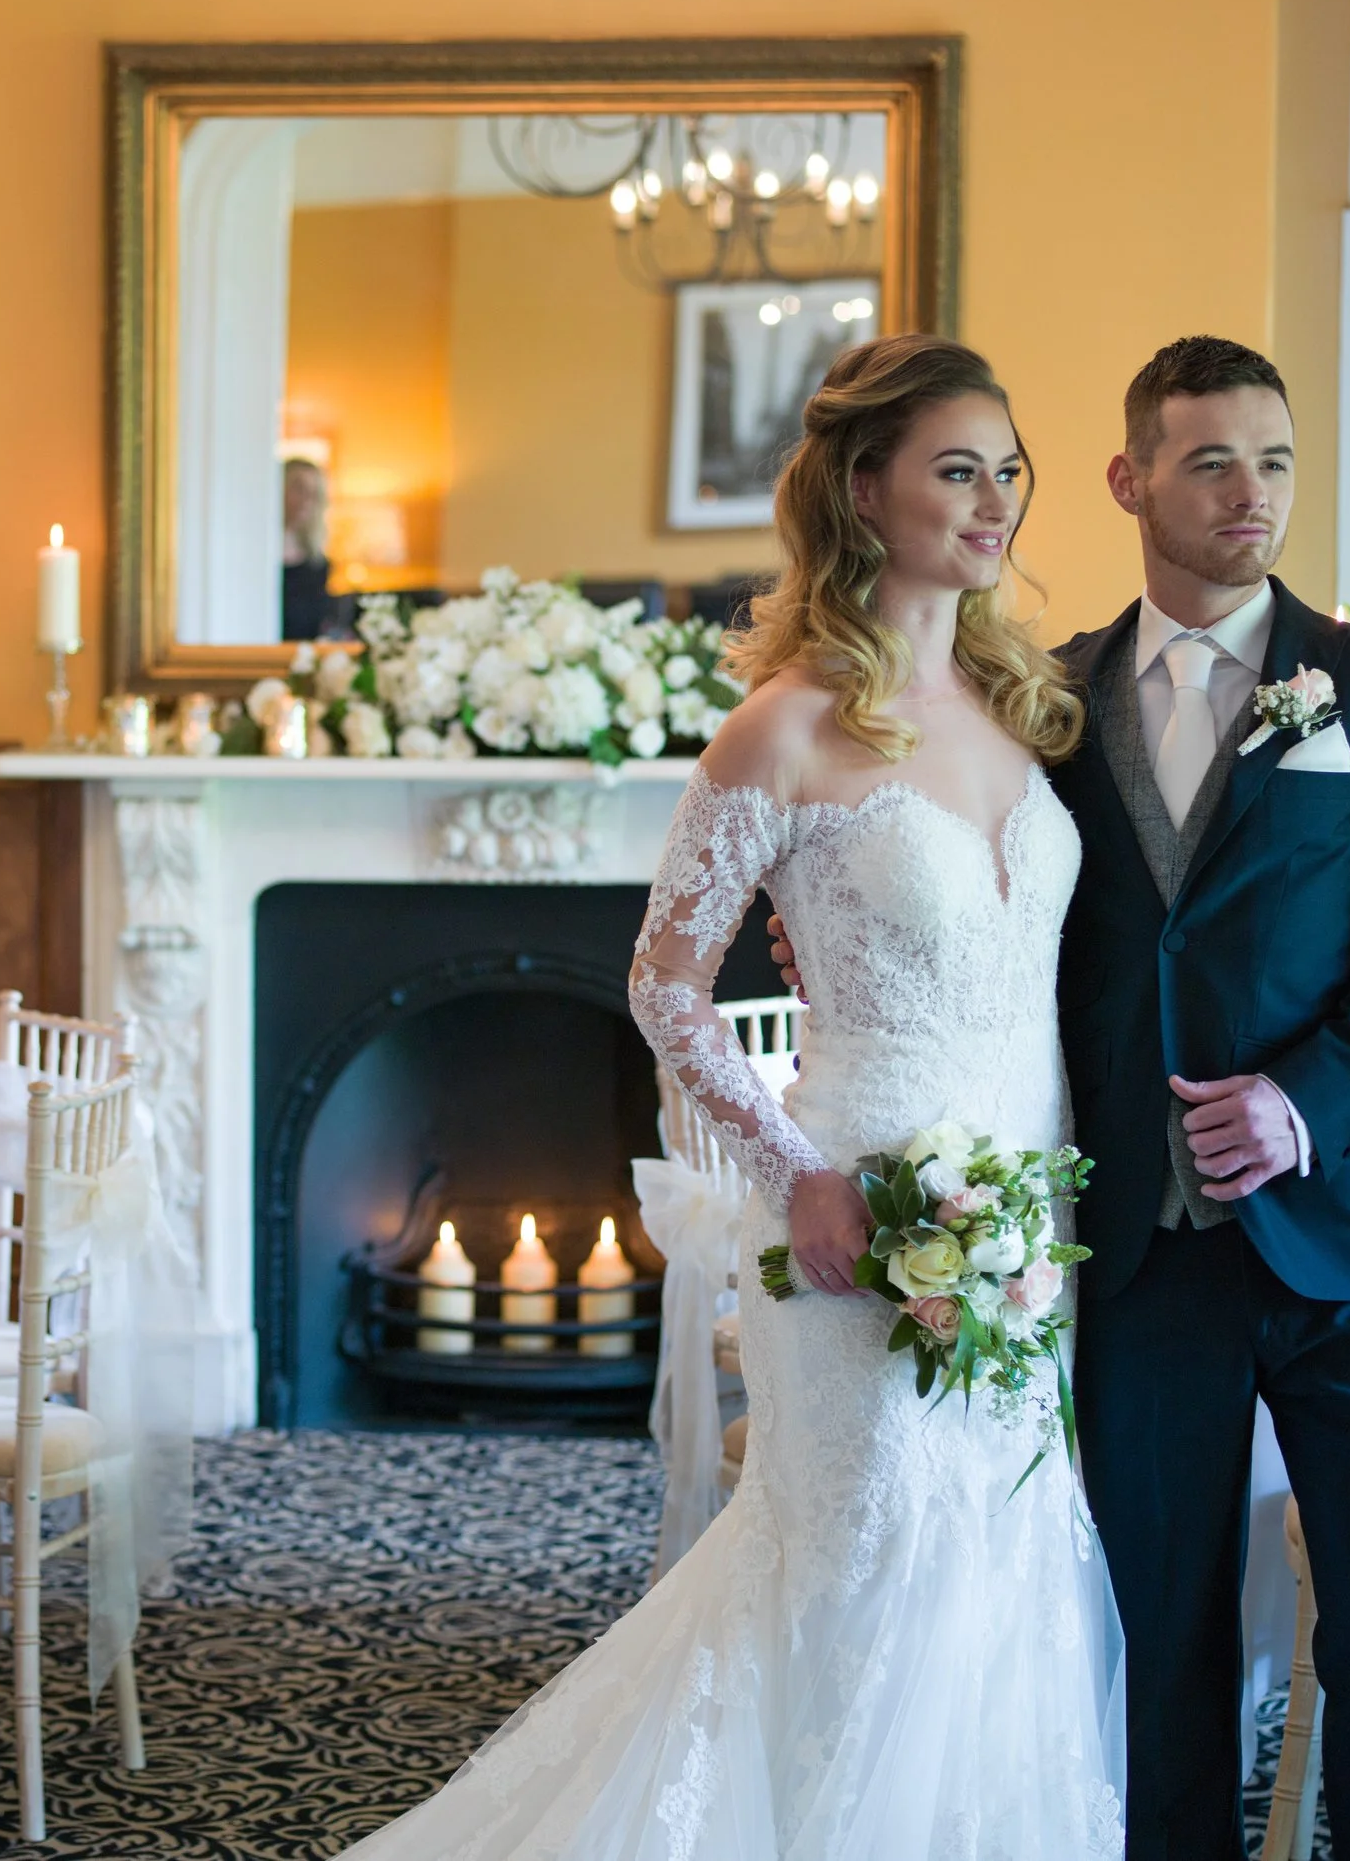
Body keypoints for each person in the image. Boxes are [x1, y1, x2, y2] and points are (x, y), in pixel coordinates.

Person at [333, 335, 1126, 1859]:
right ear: (861, 486)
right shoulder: (787, 725)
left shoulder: (1025, 707)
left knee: (1000, 1551)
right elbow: (662, 983)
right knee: (865, 1558)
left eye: (1008, 467)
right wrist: (798, 1176)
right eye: (958, 467)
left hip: (1032, 1222)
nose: (997, 499)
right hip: (855, 1221)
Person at [773, 337, 1350, 1860]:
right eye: (1214, 461)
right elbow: (969, 898)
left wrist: (1305, 1096)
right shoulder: (1038, 699)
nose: (1254, 494)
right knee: (1156, 1636)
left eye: (1276, 460)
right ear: (1129, 480)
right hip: (1134, 1258)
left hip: (1340, 1244)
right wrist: (822, 911)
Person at [280, 457, 349, 642]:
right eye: (298, 488)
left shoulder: (318, 565)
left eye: (313, 493)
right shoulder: (257, 557)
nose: (306, 500)